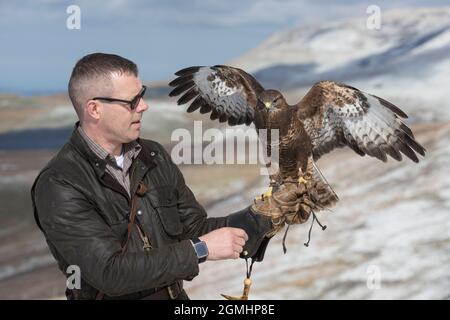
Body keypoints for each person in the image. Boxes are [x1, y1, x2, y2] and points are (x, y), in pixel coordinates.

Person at [31, 53, 277, 300]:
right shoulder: (60, 183)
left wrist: (265, 217)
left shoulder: (152, 155)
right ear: (95, 109)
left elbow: (194, 228)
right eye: (132, 101)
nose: (143, 106)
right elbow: (110, 273)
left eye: (143, 94)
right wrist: (200, 250)